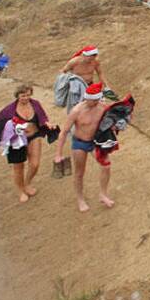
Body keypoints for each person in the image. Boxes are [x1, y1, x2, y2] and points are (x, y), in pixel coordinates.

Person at [53, 82, 115, 212]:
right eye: (88, 99)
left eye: (92, 100)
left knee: (106, 166)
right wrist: (58, 153)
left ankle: (103, 194)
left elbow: (111, 121)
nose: (89, 101)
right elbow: (64, 132)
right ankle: (80, 199)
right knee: (79, 173)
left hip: (95, 142)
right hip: (80, 143)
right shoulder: (76, 111)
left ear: (97, 99)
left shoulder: (103, 107)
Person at [0, 84, 54, 203]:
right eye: (22, 96)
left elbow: (43, 117)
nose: (25, 98)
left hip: (34, 136)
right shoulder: (9, 109)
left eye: (27, 95)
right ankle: (20, 190)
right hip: (17, 140)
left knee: (35, 164)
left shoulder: (35, 104)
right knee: (18, 167)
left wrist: (47, 124)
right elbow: (0, 121)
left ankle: (27, 183)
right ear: (17, 96)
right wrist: (12, 128)